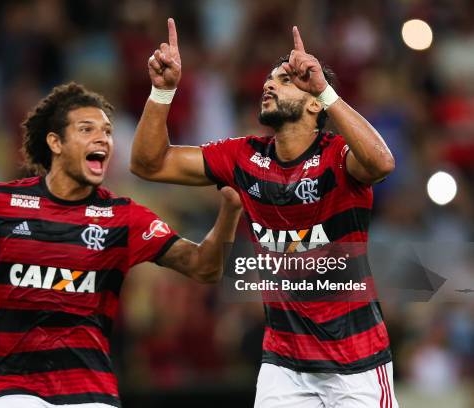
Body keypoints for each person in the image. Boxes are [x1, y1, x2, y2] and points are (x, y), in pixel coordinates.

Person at [0, 82, 243, 408]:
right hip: (14, 388)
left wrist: (228, 213)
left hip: (90, 391)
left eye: (107, 132)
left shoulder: (125, 217)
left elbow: (204, 268)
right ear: (55, 142)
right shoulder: (1, 201)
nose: (103, 139)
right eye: (87, 129)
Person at [130, 18, 398, 408]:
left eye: (285, 80)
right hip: (283, 366)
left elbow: (382, 164)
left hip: (356, 363)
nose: (269, 84)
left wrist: (325, 89)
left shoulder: (336, 156)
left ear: (313, 103)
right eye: (269, 78)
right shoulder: (243, 156)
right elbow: (149, 164)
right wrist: (162, 92)